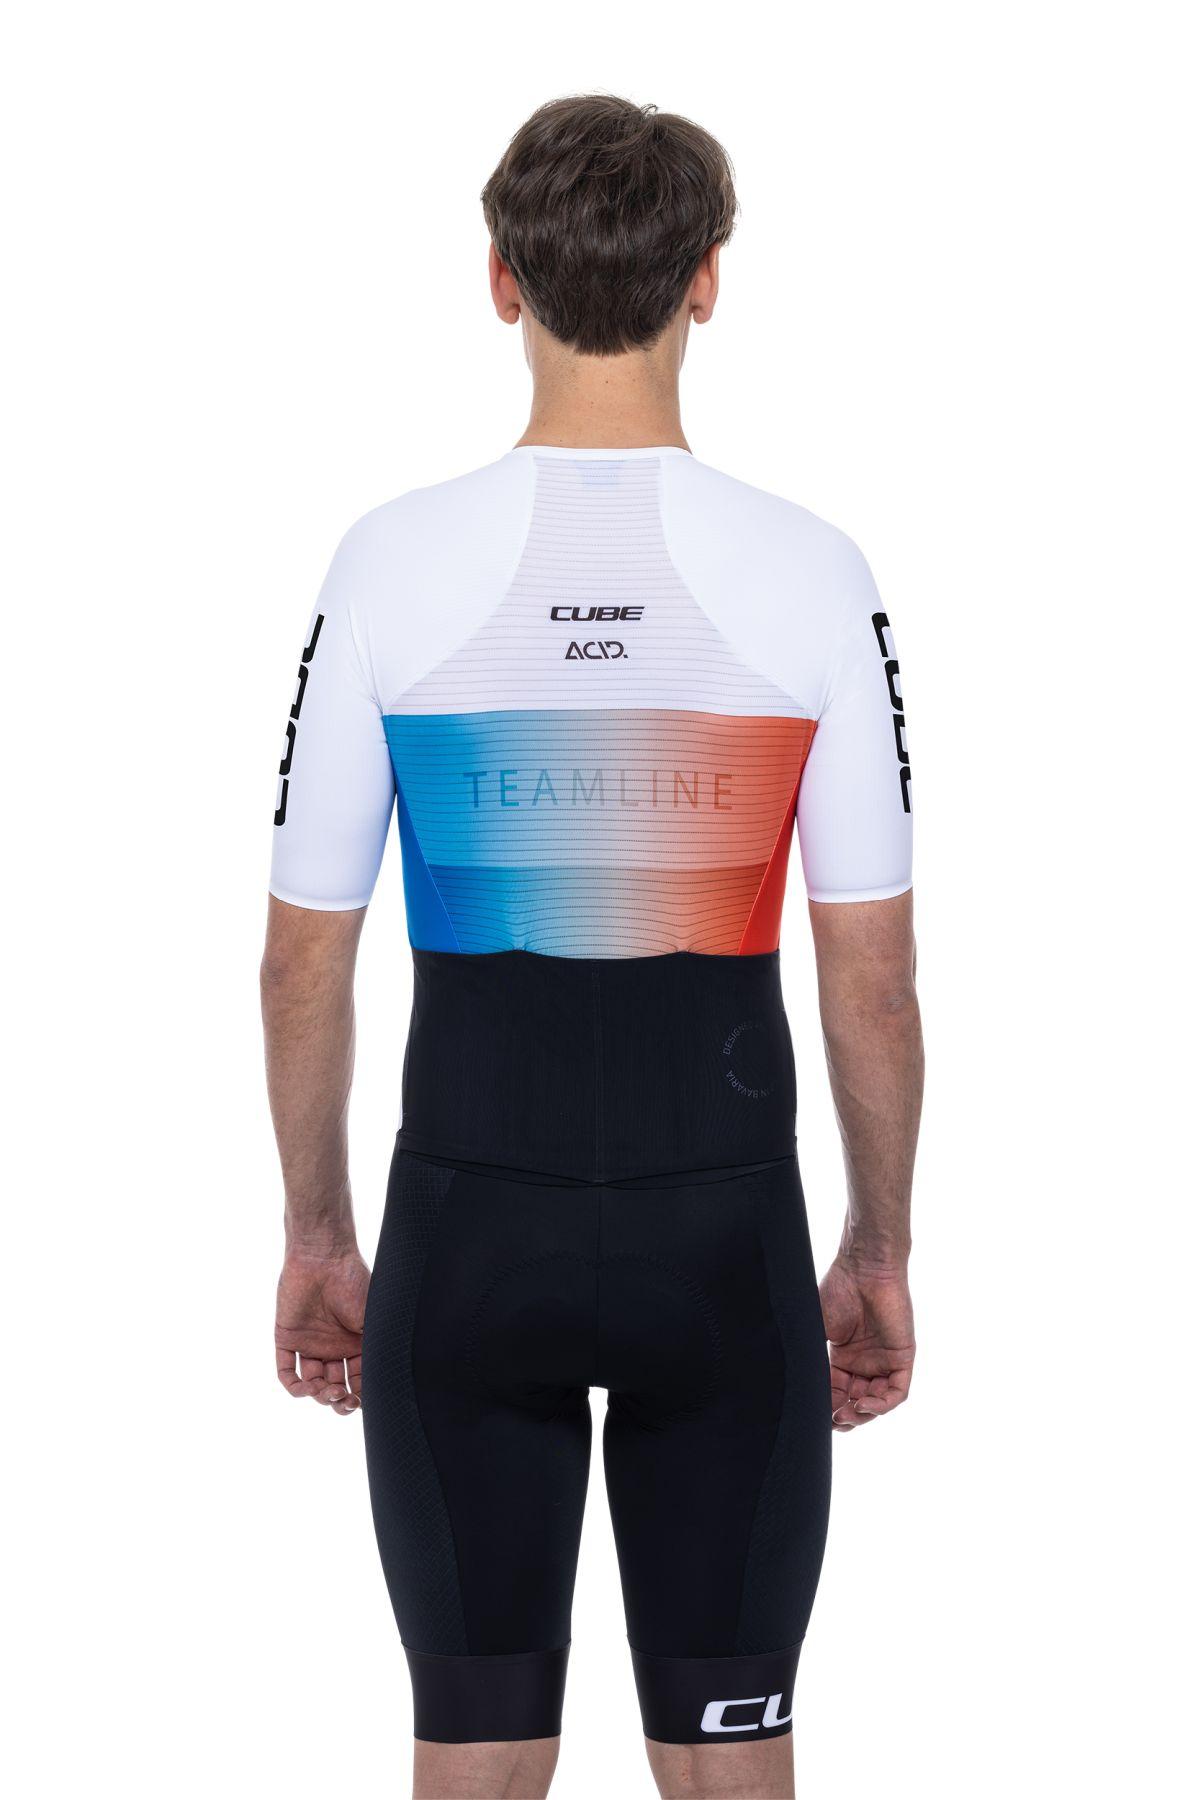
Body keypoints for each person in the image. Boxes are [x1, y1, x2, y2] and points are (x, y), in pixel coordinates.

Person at [262, 94, 923, 1800]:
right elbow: (870, 977)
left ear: (502, 279)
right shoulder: (813, 573)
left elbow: (300, 963)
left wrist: (321, 1234)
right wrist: (876, 1250)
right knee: (731, 1767)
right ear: (709, 280)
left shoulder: (389, 564)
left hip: (466, 1240)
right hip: (727, 1245)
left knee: (475, 1761)